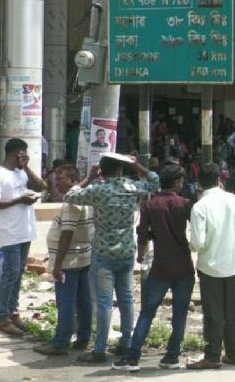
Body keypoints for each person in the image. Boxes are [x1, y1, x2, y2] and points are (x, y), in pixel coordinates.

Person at [65, 153, 159, 363]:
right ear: (120, 170)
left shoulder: (98, 189)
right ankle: (127, 342)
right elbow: (155, 183)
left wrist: (89, 178)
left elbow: (70, 196)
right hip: (126, 250)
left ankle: (99, 349)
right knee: (126, 298)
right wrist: (138, 167)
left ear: (102, 171)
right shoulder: (131, 187)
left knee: (105, 302)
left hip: (103, 252)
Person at [114, 164, 194, 371]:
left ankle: (133, 357)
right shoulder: (185, 203)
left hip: (160, 265)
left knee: (147, 313)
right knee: (180, 314)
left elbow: (142, 234)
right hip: (183, 265)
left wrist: (141, 255)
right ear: (176, 182)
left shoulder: (150, 205)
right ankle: (172, 356)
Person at [186, 162, 235, 370]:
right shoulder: (234, 200)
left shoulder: (200, 206)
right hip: (233, 265)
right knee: (231, 312)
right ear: (219, 179)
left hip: (210, 267)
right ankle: (232, 353)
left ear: (199, 183)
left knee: (213, 314)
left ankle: (212, 355)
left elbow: (197, 243)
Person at [0, 138, 43, 336]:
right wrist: (19, 199)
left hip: (25, 230)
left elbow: (41, 186)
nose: (26, 157)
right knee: (11, 273)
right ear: (17, 153)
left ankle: (12, 311)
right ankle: (1, 317)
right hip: (10, 231)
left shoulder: (20, 172)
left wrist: (26, 168)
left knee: (18, 273)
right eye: (24, 154)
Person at [34, 165, 92, 356]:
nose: (56, 183)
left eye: (61, 179)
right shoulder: (85, 195)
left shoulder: (71, 203)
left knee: (66, 303)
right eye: (56, 179)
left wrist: (57, 266)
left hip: (69, 260)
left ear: (73, 180)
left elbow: (66, 234)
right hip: (84, 256)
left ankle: (60, 343)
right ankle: (83, 338)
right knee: (84, 301)